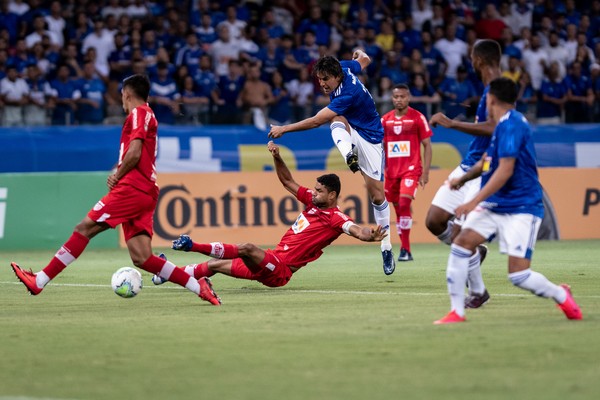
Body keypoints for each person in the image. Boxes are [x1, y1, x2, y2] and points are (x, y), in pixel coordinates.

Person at [10, 74, 221, 307]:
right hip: (145, 190)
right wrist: (120, 168)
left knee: (84, 229)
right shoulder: (147, 114)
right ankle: (199, 286)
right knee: (142, 258)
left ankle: (39, 281)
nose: (122, 99)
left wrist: (118, 175)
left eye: (122, 95)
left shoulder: (139, 113)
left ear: (127, 94)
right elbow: (135, 153)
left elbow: (135, 153)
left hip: (132, 188)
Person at [434, 77, 583, 324]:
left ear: (491, 100)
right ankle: (457, 311)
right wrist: (463, 179)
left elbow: (505, 170)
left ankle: (561, 295)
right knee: (461, 244)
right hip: (495, 204)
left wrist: (473, 201)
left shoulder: (513, 125)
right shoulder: (502, 126)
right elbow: (488, 161)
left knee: (519, 276)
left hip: (522, 207)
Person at [152, 141, 387, 294]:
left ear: (332, 195)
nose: (313, 193)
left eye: (319, 191)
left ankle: (191, 245)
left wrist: (370, 235)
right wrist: (277, 156)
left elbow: (357, 230)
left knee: (247, 248)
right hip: (269, 261)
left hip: (279, 270)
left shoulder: (335, 218)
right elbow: (287, 181)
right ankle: (164, 275)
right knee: (214, 265)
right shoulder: (311, 201)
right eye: (314, 189)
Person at [268, 50, 396, 275]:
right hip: (351, 129)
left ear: (337, 76)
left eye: (325, 79)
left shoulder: (347, 94)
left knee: (377, 196)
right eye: (319, 79)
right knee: (336, 118)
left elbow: (316, 121)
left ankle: (386, 247)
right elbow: (364, 60)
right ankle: (348, 155)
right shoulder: (344, 66)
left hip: (371, 138)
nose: (322, 83)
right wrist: (360, 53)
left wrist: (284, 129)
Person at [427, 39, 502, 309]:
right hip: (469, 162)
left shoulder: (499, 88)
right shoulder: (487, 88)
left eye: (472, 56)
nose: (470, 61)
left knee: (460, 233)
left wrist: (451, 123)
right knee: (434, 220)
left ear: (478, 59)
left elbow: (495, 127)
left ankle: (478, 291)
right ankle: (474, 253)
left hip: (484, 168)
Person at [381, 84, 433, 262]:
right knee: (398, 209)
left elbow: (427, 145)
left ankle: (406, 248)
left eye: (402, 96)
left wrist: (425, 172)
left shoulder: (417, 117)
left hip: (411, 170)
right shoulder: (385, 120)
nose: (399, 100)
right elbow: (378, 146)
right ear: (392, 98)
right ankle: (405, 249)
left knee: (404, 204)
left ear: (408, 98)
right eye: (396, 97)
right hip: (391, 172)